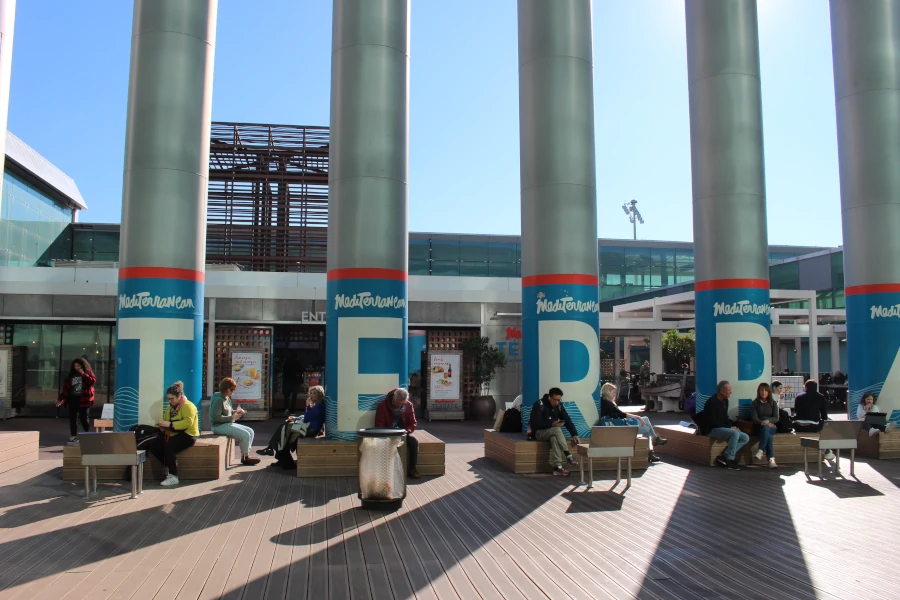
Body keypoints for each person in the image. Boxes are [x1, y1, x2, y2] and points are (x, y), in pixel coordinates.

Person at [258, 385, 326, 469]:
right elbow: (307, 417)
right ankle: (279, 455)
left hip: (311, 430)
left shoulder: (319, 406)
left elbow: (307, 418)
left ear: (320, 394)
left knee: (284, 433)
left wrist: (307, 406)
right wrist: (296, 418)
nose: (312, 395)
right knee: (283, 431)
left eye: (314, 393)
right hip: (308, 427)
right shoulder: (317, 405)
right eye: (311, 393)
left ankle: (275, 452)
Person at [598, 382, 667, 463]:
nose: (615, 395)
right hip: (620, 429)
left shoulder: (604, 402)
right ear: (608, 392)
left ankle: (653, 444)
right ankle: (651, 447)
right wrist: (637, 417)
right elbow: (622, 415)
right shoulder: (608, 403)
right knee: (647, 428)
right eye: (613, 392)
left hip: (617, 427)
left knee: (645, 420)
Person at [149, 381, 199, 486]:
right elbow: (167, 421)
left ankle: (173, 475)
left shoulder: (188, 406)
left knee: (169, 447)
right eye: (168, 399)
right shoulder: (169, 408)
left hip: (188, 435)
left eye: (172, 399)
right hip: (173, 433)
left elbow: (187, 423)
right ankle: (168, 464)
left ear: (180, 396)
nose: (170, 401)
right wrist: (163, 426)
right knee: (154, 443)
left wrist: (170, 425)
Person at [695, 381, 748, 470]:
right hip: (712, 429)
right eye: (729, 390)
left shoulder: (725, 401)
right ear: (722, 391)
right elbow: (714, 421)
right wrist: (730, 428)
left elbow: (724, 418)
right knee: (734, 434)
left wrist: (732, 426)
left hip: (722, 427)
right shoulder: (712, 402)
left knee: (745, 437)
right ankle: (730, 459)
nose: (731, 392)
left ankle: (725, 455)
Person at [529, 387, 581, 476]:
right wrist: (551, 424)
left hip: (551, 432)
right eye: (555, 400)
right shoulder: (539, 404)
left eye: (559, 400)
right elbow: (536, 423)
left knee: (554, 438)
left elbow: (567, 419)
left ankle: (558, 467)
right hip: (539, 433)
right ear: (549, 397)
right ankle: (568, 456)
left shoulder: (559, 406)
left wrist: (574, 434)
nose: (557, 402)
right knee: (556, 430)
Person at [210, 377, 260, 466]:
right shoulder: (218, 399)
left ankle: (244, 455)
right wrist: (232, 417)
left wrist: (237, 411)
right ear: (225, 389)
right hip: (218, 426)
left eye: (234, 389)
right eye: (231, 389)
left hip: (227, 423)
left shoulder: (227, 398)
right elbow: (216, 418)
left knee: (250, 431)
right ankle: (246, 457)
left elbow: (228, 411)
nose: (233, 391)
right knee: (245, 434)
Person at [374, 388, 420, 479]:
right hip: (388, 433)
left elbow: (413, 423)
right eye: (397, 402)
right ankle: (387, 471)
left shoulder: (408, 405)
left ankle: (412, 468)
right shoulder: (383, 406)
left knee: (413, 442)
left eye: (401, 404)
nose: (398, 405)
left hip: (403, 432)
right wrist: (388, 433)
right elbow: (379, 424)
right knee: (386, 445)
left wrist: (407, 431)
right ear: (393, 398)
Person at [56, 358, 96, 444]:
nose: (76, 368)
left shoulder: (88, 372)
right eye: (75, 366)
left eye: (78, 366)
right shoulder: (71, 375)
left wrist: (83, 374)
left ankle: (87, 434)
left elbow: (92, 381)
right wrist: (60, 399)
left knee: (83, 417)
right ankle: (73, 436)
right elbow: (65, 389)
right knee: (73, 418)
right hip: (73, 399)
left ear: (83, 365)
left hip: (84, 398)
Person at [793, 380, 834, 461]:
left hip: (798, 426)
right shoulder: (820, 396)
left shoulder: (799, 396)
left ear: (806, 387)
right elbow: (824, 415)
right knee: (826, 425)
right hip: (812, 426)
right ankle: (827, 451)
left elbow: (796, 410)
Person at [751, 383, 779, 468]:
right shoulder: (755, 403)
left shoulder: (772, 403)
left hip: (771, 426)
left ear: (768, 392)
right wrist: (762, 422)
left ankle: (761, 450)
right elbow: (754, 418)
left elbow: (776, 418)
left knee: (767, 429)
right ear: (758, 391)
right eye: (761, 390)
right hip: (760, 426)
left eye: (765, 390)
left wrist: (768, 421)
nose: (763, 392)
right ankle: (771, 459)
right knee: (769, 436)